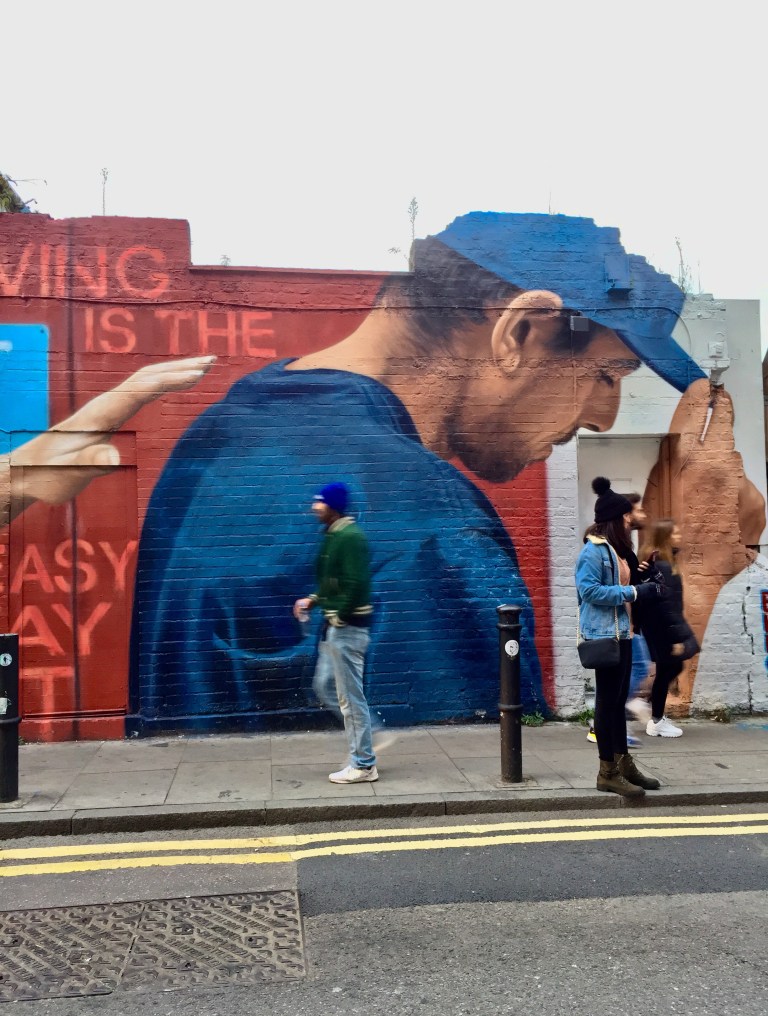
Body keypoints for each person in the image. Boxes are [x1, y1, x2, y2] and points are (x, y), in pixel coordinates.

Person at [5, 212, 758, 734]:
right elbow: (491, 773)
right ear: (519, 330)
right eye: (606, 374)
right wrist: (693, 578)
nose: (603, 414)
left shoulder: (224, 423)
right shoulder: (429, 523)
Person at [575, 477, 661, 796]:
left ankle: (624, 764)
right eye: (625, 516)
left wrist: (644, 577)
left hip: (623, 632)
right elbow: (589, 591)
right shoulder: (593, 551)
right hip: (604, 635)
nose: (629, 520)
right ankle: (607, 772)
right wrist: (634, 592)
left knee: (618, 702)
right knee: (607, 704)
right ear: (614, 519)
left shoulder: (618, 551)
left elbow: (623, 584)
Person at [293, 483, 378, 783]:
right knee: (325, 686)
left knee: (350, 699)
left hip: (348, 629)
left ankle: (364, 763)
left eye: (320, 502)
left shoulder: (350, 537)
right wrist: (313, 599)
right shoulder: (334, 535)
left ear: (333, 506)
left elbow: (355, 584)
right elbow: (335, 582)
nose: (314, 507)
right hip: (335, 629)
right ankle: (368, 737)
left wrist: (339, 616)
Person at [639, 519, 699, 737]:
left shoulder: (658, 564)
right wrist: (677, 637)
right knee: (669, 669)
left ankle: (653, 711)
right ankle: (655, 719)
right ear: (664, 538)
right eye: (675, 534)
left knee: (671, 668)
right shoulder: (664, 567)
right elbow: (669, 606)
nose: (679, 537)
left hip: (655, 626)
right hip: (663, 628)